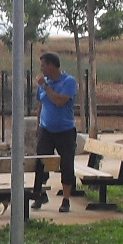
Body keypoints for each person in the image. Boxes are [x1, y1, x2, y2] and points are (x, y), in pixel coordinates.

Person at [33, 51, 79, 213]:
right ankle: (40, 194)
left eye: (43, 65)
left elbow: (59, 101)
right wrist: (38, 125)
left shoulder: (69, 82)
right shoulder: (43, 84)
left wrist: (46, 86)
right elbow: (41, 104)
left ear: (51, 66)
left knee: (66, 164)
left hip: (65, 131)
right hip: (46, 130)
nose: (41, 69)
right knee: (41, 162)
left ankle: (66, 199)